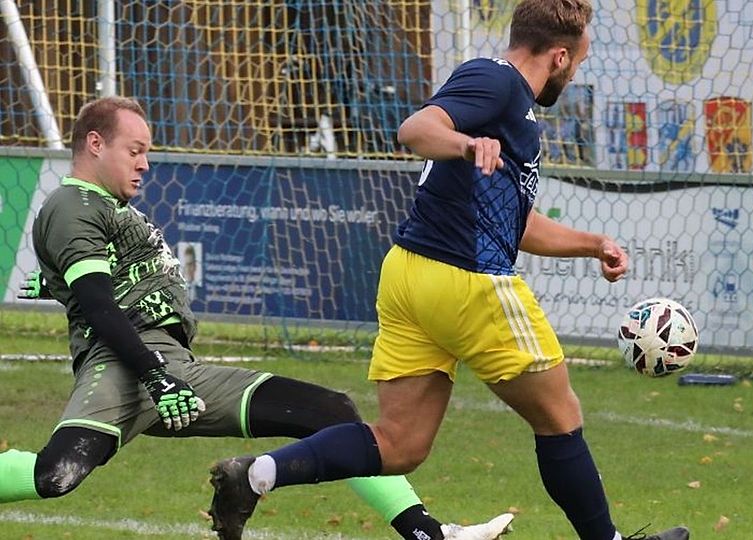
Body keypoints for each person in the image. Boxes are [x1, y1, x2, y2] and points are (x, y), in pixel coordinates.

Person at [209, 1, 690, 539]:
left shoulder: (508, 106)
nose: (575, 72)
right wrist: (464, 143)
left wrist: (592, 243)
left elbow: (516, 222)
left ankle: (256, 474)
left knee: (399, 443)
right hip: (468, 280)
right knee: (559, 415)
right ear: (559, 56)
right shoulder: (499, 82)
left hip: (410, 276)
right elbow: (416, 128)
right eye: (577, 61)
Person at [0, 96, 514, 540]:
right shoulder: (74, 203)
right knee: (56, 475)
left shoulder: (102, 206)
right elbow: (98, 304)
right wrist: (155, 375)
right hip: (125, 368)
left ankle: (429, 532)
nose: (145, 164)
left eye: (147, 153)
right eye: (135, 151)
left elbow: (99, 279)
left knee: (334, 410)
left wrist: (57, 281)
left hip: (175, 369)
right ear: (95, 144)